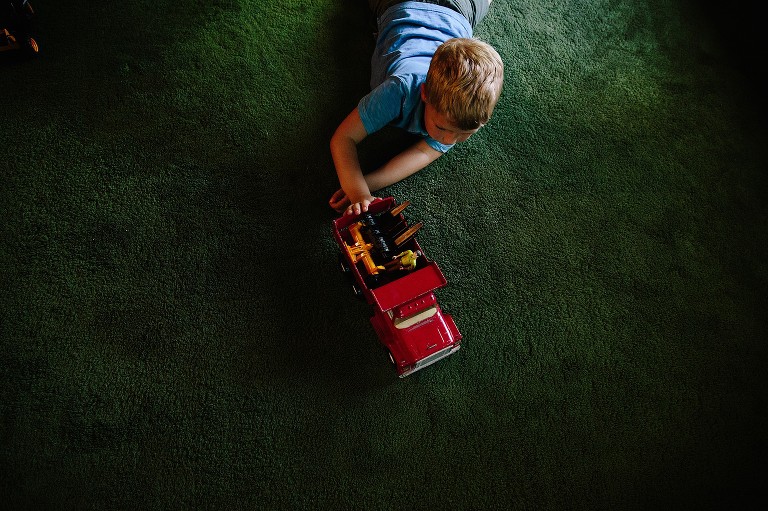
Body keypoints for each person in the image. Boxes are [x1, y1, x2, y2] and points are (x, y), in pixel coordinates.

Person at [329, 0, 503, 216]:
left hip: (458, 10)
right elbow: (344, 138)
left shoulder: (467, 109)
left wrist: (363, 187)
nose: (448, 140)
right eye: (442, 128)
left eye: (464, 134)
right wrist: (357, 192)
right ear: (424, 94)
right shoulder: (399, 90)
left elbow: (423, 152)